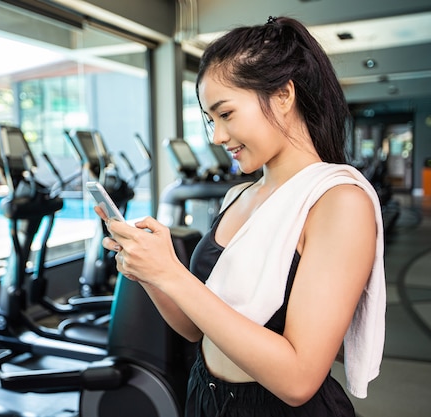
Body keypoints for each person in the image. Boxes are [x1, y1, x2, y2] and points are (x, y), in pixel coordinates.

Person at [95, 16, 386, 417]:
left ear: (284, 96)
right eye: (211, 119)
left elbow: (299, 380)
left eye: (226, 113)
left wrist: (173, 274)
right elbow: (199, 329)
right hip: (206, 396)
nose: (215, 136)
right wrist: (153, 272)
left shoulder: (338, 203)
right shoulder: (238, 195)